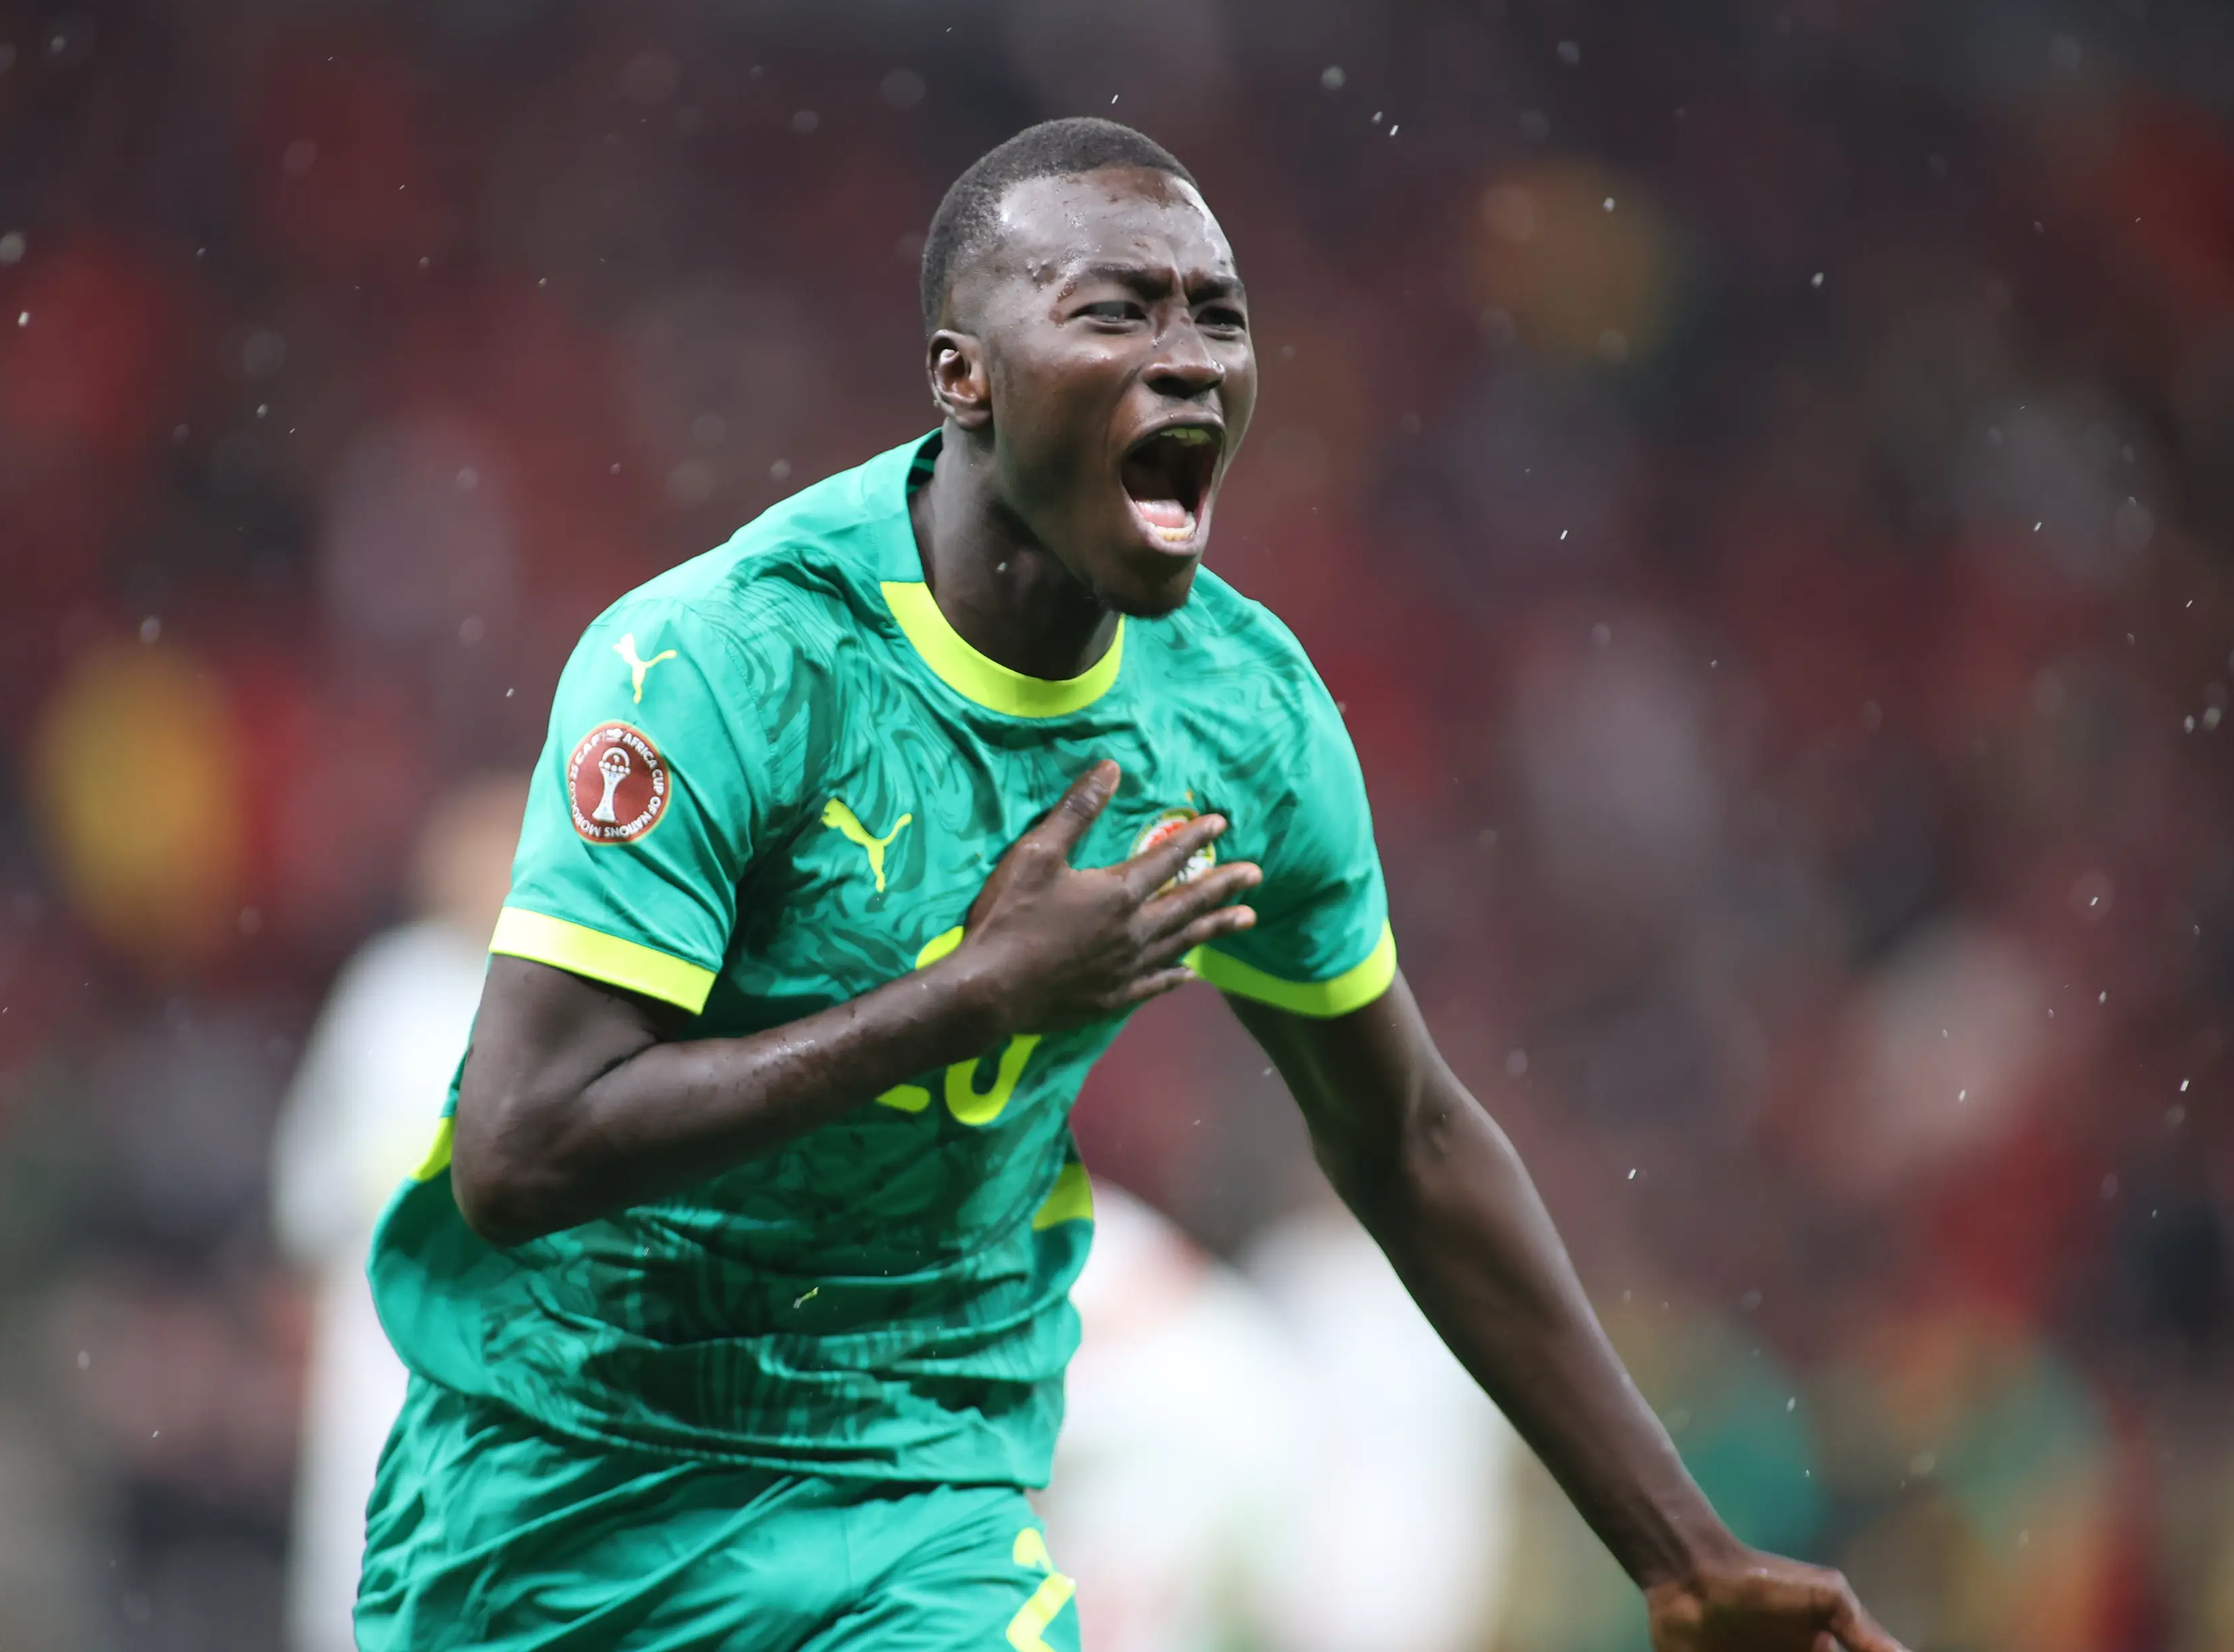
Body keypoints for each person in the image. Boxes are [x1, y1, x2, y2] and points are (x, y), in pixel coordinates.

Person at [357, 119, 1905, 1652]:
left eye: (1217, 316)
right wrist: (973, 995)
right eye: (1119, 309)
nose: (1193, 359)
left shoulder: (1241, 720)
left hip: (918, 1492)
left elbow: (1410, 1134)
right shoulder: (724, 662)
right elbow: (524, 1144)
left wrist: (1684, 1553)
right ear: (964, 372)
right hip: (557, 1489)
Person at [270, 778, 527, 1652]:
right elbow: (307, 1188)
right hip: (375, 1334)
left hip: (507, 1332)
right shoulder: (386, 993)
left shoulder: (553, 993)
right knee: (360, 1562)